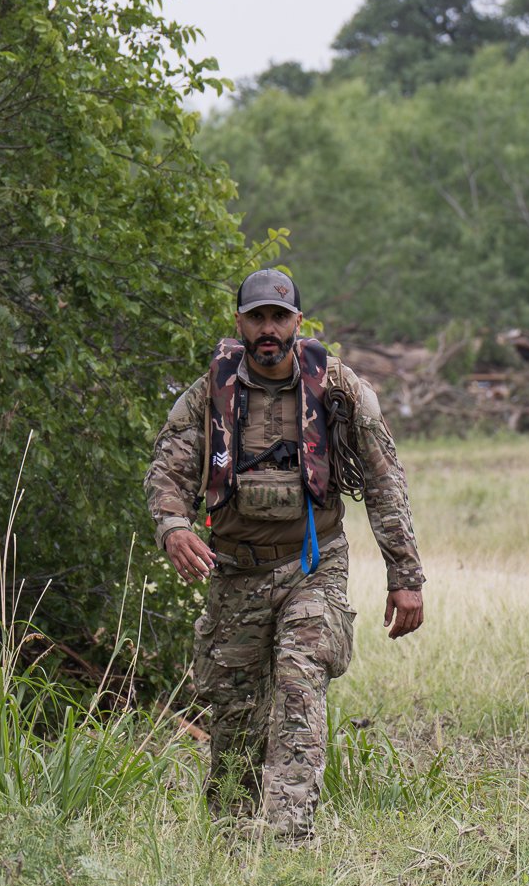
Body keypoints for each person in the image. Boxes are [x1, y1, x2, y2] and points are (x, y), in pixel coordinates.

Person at [144, 268, 425, 841]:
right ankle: (229, 840)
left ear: (298, 321)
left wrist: (406, 575)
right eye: (257, 317)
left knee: (300, 684)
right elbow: (166, 472)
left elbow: (384, 480)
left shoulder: (339, 391)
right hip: (236, 571)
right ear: (240, 322)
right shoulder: (209, 394)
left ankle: (286, 841)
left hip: (312, 565)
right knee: (236, 714)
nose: (268, 329)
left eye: (279, 317)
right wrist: (173, 527)